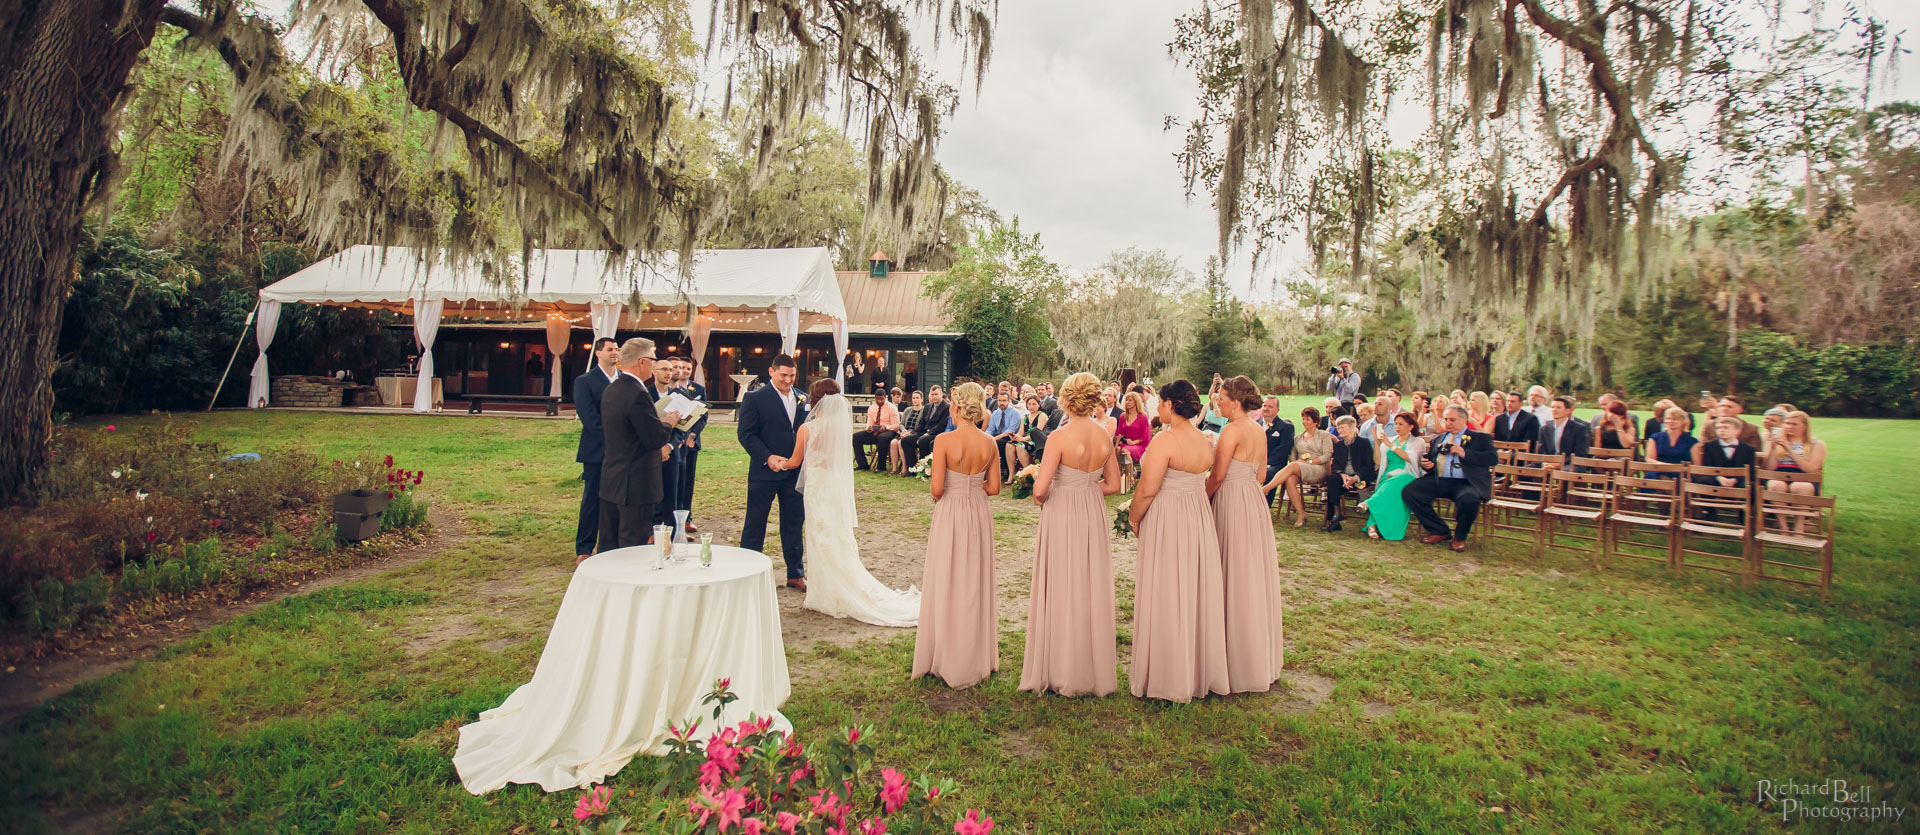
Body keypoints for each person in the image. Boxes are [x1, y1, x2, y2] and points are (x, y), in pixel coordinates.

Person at [774, 379, 921, 626]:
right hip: (833, 486)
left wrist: (780, 463)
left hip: (817, 488)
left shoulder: (807, 429)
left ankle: (824, 593)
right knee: (835, 534)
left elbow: (795, 461)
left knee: (819, 535)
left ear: (815, 399)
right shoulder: (839, 427)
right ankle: (831, 587)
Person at [1020, 372, 1124, 697]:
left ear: (1065, 399)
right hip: (1092, 511)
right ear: (1094, 400)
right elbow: (1114, 485)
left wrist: (1047, 483)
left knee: (1063, 580)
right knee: (1088, 580)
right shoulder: (1104, 437)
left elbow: (1039, 492)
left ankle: (1061, 665)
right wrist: (1086, 489)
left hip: (1063, 511)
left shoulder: (1059, 438)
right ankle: (1088, 666)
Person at [1127, 380, 1229, 703]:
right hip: (1197, 516)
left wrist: (1133, 517)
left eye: (1160, 403)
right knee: (1193, 586)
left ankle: (1167, 675)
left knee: (1167, 586)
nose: (1158, 408)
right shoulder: (1205, 441)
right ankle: (1195, 668)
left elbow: (1146, 489)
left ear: (1170, 406)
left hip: (1169, 516)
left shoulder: (1164, 442)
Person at [912, 382, 1002, 687]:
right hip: (978, 511)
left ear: (955, 407)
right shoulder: (990, 443)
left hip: (951, 511)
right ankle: (976, 656)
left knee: (947, 577)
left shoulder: (944, 440)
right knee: (974, 578)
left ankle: (946, 652)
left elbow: (937, 489)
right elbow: (994, 488)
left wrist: (949, 486)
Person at [1204, 376, 1284, 694]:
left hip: (1232, 501)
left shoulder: (1232, 431)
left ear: (1235, 402)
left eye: (1221, 398)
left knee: (1231, 570)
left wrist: (1201, 498)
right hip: (1252, 500)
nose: (1217, 403)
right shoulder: (1258, 430)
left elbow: (1218, 476)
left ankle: (1232, 658)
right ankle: (1253, 656)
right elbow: (1262, 474)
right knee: (1250, 571)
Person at [738, 354, 809, 590]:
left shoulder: (803, 398)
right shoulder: (754, 398)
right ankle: (747, 572)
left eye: (792, 375)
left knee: (794, 522)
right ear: (771, 372)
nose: (788, 380)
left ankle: (795, 573)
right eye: (783, 375)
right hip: (764, 472)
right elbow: (746, 434)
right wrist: (767, 457)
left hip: (794, 472)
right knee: (755, 522)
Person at [598, 339, 675, 550]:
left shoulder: (612, 388)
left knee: (609, 542)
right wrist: (668, 424)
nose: (654, 364)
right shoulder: (638, 393)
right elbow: (654, 439)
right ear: (641, 361)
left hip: (612, 477)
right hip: (636, 483)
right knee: (632, 544)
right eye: (653, 359)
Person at [1403, 404, 1497, 552]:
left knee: (1469, 500)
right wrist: (1426, 464)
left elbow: (1492, 459)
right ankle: (1438, 530)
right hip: (1440, 480)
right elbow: (1431, 459)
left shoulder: (1480, 438)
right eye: (1446, 419)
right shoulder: (1438, 438)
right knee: (1411, 491)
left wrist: (1463, 453)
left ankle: (1460, 537)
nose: (1448, 423)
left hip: (1466, 482)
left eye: (1452, 420)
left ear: (1464, 419)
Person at [571, 337, 622, 563]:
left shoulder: (624, 380)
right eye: (610, 349)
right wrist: (617, 440)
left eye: (617, 349)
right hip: (597, 450)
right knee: (593, 499)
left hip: (623, 452)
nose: (615, 353)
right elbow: (590, 419)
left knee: (617, 499)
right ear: (598, 353)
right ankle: (584, 547)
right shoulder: (585, 381)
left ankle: (612, 544)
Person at [1262, 406, 1331, 527]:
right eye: (1303, 419)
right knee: (1289, 479)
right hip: (1300, 468)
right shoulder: (1298, 437)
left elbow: (1327, 455)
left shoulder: (1323, 435)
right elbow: (1292, 455)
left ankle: (1266, 489)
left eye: (1308, 419)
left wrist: (1309, 462)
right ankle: (1301, 513)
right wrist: (1298, 463)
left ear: (1315, 421)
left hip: (1318, 468)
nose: (1304, 422)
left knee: (1294, 465)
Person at [1362, 412, 1425, 541]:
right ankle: (1372, 523)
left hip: (1407, 475)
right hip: (1389, 475)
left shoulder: (1418, 441)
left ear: (1411, 426)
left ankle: (1370, 518)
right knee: (1387, 487)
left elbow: (1410, 458)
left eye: (1401, 424)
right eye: (1396, 424)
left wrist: (1391, 445)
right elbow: (1378, 462)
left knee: (1396, 482)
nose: (1397, 427)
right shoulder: (1389, 439)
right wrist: (1377, 442)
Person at [644, 354, 689, 527]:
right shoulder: (645, 394)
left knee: (672, 495)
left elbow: (681, 426)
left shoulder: (679, 396)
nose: (669, 373)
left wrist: (669, 446)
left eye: (671, 369)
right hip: (650, 451)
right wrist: (658, 447)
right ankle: (650, 530)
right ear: (654, 372)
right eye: (664, 369)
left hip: (671, 451)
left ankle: (673, 532)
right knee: (650, 494)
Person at [1323, 415, 1378, 532]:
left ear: (1353, 427)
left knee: (1333, 487)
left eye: (1343, 427)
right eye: (1338, 428)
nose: (1340, 430)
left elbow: (1368, 466)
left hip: (1360, 478)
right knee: (1331, 478)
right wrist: (1343, 476)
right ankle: (1337, 513)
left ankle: (1335, 518)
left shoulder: (1364, 443)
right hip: (1343, 477)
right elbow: (1336, 465)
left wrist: (1355, 478)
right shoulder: (1338, 445)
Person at [673, 357, 707, 533]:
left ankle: (687, 517)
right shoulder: (671, 389)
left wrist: (692, 435)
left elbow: (703, 416)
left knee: (687, 481)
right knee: (674, 481)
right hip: (674, 441)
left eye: (687, 368)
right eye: (681, 368)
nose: (684, 371)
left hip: (691, 442)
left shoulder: (698, 389)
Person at [1763, 409, 1826, 500]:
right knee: (1775, 485)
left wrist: (1790, 450)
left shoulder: (1817, 444)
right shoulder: (1777, 441)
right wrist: (1773, 448)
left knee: (1799, 487)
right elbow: (1769, 469)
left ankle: (1802, 514)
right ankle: (1781, 514)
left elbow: (1811, 470)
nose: (1789, 427)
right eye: (1787, 423)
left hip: (1805, 478)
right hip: (1780, 476)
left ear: (1805, 427)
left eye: (1794, 424)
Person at [1694, 416, 1757, 487]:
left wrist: (1735, 480)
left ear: (1737, 431)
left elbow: (1750, 472)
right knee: (1704, 481)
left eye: (1725, 427)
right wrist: (1719, 478)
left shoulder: (1748, 449)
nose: (1721, 430)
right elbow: (1707, 467)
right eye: (1718, 428)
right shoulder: (1709, 446)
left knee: (1750, 485)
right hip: (1716, 480)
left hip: (1738, 482)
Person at [1257, 396, 1295, 507]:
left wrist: (1265, 463)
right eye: (1264, 406)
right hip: (1254, 461)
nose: (1266, 408)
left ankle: (1264, 506)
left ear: (1277, 410)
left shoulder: (1286, 427)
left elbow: (1283, 450)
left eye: (1270, 406)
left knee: (1268, 473)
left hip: (1275, 464)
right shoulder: (1254, 424)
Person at [852, 387, 901, 471]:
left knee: (882, 437)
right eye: (877, 399)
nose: (879, 401)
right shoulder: (872, 408)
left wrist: (885, 427)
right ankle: (863, 465)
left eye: (881, 399)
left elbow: (896, 425)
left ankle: (881, 466)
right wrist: (869, 428)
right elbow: (869, 423)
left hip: (889, 431)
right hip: (875, 431)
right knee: (856, 436)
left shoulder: (892, 408)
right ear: (875, 398)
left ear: (885, 398)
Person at [1535, 396, 1591, 469]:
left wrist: (1559, 465)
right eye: (1552, 407)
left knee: (1566, 472)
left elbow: (1580, 453)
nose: (1554, 410)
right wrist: (1545, 463)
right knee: (1523, 471)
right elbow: (1541, 451)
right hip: (1548, 462)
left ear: (1568, 411)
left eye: (1558, 408)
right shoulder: (1544, 429)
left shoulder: (1579, 429)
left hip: (1571, 464)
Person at [905, 385, 952, 469]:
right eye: (932, 394)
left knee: (923, 440)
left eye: (936, 394)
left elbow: (941, 425)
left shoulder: (947, 407)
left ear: (941, 394)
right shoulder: (928, 406)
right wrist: (911, 432)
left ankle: (924, 468)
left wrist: (928, 433)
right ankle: (912, 467)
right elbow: (921, 423)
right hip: (924, 432)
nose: (934, 396)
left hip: (937, 433)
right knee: (905, 440)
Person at [986, 388, 1024, 480]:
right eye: (999, 400)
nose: (1001, 403)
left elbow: (1011, 430)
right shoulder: (995, 413)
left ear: (1009, 401)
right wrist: (986, 436)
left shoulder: (1015, 413)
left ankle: (1006, 469)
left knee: (1001, 443)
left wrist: (995, 438)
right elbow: (990, 428)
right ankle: (986, 472)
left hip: (1010, 437)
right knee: (985, 442)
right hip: (997, 436)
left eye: (1004, 400)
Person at [1010, 393, 1049, 473]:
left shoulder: (1042, 415)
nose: (1031, 406)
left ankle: (1029, 471)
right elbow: (1020, 432)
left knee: (1020, 446)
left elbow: (1037, 434)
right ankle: (1011, 473)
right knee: (1009, 445)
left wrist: (1022, 439)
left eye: (1034, 404)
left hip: (1036, 441)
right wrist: (1016, 436)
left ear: (1039, 405)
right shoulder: (1025, 417)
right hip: (1025, 439)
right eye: (1029, 404)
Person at [1114, 391, 1151, 476]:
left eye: (1130, 400)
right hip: (1124, 443)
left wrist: (1133, 442)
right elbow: (1119, 433)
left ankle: (1130, 477)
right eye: (1126, 400)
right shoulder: (1123, 416)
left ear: (1136, 402)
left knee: (1125, 451)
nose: (1127, 402)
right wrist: (1119, 440)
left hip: (1138, 445)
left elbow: (1145, 436)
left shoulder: (1143, 417)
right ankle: (1117, 475)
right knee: (1117, 449)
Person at [890, 390, 925, 475]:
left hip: (914, 434)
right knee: (893, 442)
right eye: (913, 398)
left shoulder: (924, 411)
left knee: (900, 443)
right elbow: (901, 423)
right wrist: (903, 431)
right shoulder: (908, 410)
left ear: (922, 399)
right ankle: (894, 468)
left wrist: (910, 433)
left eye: (917, 398)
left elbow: (921, 426)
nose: (915, 400)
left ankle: (905, 468)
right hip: (904, 433)